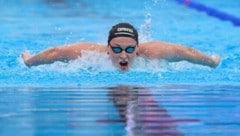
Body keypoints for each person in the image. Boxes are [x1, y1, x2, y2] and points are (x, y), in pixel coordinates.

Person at [22, 22, 220, 71]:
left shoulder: (153, 52)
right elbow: (56, 52)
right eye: (116, 49)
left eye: (129, 49)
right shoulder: (90, 54)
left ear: (137, 47)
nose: (123, 55)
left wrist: (213, 62)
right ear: (107, 48)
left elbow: (186, 52)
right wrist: (29, 61)